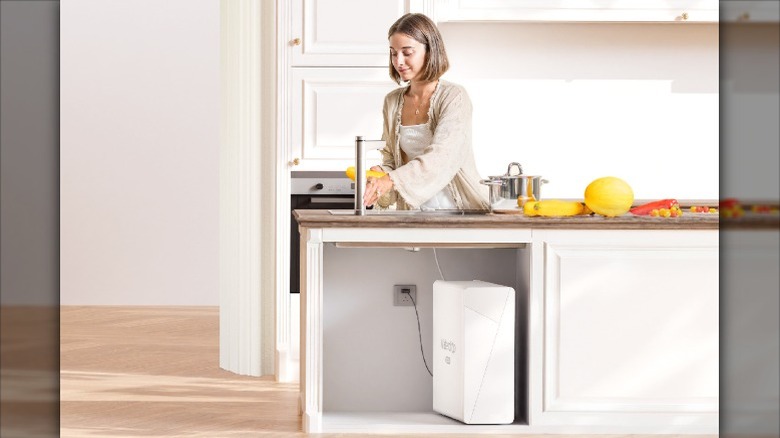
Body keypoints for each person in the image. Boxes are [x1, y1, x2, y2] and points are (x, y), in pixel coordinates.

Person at [362, 13, 490, 211]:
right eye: (393, 53)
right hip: (414, 214)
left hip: (459, 212)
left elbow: (443, 155)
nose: (399, 61)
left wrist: (391, 179)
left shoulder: (454, 97)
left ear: (430, 51)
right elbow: (391, 159)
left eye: (407, 52)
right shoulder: (392, 101)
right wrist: (381, 174)